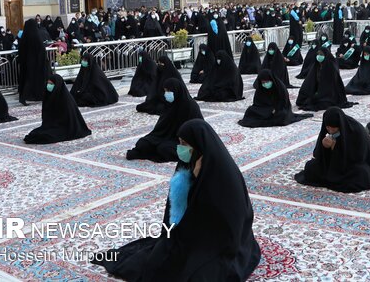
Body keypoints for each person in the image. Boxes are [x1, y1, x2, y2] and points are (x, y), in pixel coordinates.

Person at [92, 119, 261, 280]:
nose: (180, 149)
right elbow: (175, 209)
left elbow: (228, 224)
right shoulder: (187, 164)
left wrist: (201, 180)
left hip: (218, 242)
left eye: (185, 144)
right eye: (179, 142)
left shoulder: (223, 175)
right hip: (191, 231)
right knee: (157, 262)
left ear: (199, 146)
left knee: (199, 275)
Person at [294, 107, 370, 192]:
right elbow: (318, 155)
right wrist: (324, 147)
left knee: (362, 174)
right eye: (328, 127)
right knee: (310, 167)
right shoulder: (326, 130)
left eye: (334, 128)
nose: (330, 130)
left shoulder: (355, 130)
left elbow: (358, 157)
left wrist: (334, 147)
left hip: (353, 164)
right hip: (334, 165)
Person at [127, 79, 203, 162]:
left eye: (169, 91)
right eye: (165, 91)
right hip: (164, 136)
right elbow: (160, 128)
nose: (166, 94)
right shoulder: (169, 105)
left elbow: (196, 130)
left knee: (164, 149)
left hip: (182, 140)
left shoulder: (191, 106)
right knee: (143, 144)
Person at [24, 74, 91, 144]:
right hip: (52, 125)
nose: (48, 85)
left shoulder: (65, 99)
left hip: (65, 126)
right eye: (48, 83)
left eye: (51, 84)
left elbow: (68, 119)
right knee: (35, 134)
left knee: (46, 136)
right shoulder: (48, 95)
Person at [239, 69, 312, 128]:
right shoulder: (260, 89)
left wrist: (275, 109)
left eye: (267, 81)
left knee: (283, 115)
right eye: (263, 82)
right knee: (250, 110)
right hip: (265, 109)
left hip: (277, 109)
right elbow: (257, 104)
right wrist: (267, 110)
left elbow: (284, 103)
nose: (265, 84)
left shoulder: (280, 88)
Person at [17, 19, 48, 105]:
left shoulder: (24, 36)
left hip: (26, 63)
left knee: (26, 79)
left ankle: (23, 96)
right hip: (36, 63)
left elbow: (21, 50)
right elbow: (41, 49)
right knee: (31, 81)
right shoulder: (35, 35)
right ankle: (24, 97)